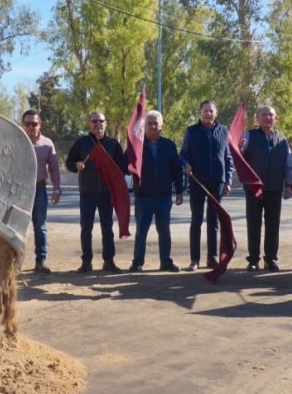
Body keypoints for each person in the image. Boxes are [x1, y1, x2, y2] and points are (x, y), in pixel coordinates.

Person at [65, 111, 126, 273]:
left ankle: (109, 261)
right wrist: (76, 164)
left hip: (106, 193)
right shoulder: (82, 143)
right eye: (94, 121)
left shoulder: (113, 144)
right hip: (87, 193)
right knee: (86, 229)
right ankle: (86, 262)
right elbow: (69, 162)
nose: (97, 124)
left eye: (101, 121)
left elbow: (122, 166)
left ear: (106, 123)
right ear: (89, 124)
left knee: (107, 228)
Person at [180, 99, 233, 271]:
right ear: (200, 113)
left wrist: (228, 180)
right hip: (197, 181)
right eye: (205, 110)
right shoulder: (192, 131)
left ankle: (212, 257)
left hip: (217, 182)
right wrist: (186, 164)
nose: (208, 113)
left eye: (211, 111)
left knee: (214, 221)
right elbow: (183, 154)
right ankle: (194, 260)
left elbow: (228, 158)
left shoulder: (224, 131)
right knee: (196, 220)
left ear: (216, 113)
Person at [127, 110, 184, 273]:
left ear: (162, 126)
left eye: (156, 123)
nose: (152, 126)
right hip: (143, 197)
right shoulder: (137, 145)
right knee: (141, 232)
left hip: (164, 197)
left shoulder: (169, 146)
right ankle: (137, 262)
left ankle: (166, 261)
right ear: (144, 126)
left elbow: (176, 170)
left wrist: (179, 191)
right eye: (149, 123)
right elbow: (125, 164)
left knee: (164, 231)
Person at [241, 105, 292, 272]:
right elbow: (239, 157)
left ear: (275, 118)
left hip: (274, 188)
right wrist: (239, 147)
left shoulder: (283, 138)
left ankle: (270, 259)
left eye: (270, 115)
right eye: (263, 114)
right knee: (254, 224)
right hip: (254, 188)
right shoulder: (249, 136)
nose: (267, 117)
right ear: (257, 118)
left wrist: (288, 185)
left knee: (273, 225)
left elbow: (288, 165)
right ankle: (254, 260)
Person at [21, 109, 61, 273]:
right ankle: (12, 263)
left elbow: (54, 168)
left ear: (40, 124)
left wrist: (57, 189)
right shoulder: (17, 140)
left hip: (39, 189)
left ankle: (41, 262)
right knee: (17, 228)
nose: (31, 127)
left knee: (41, 227)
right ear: (23, 125)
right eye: (28, 124)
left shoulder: (47, 143)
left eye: (34, 124)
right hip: (17, 190)